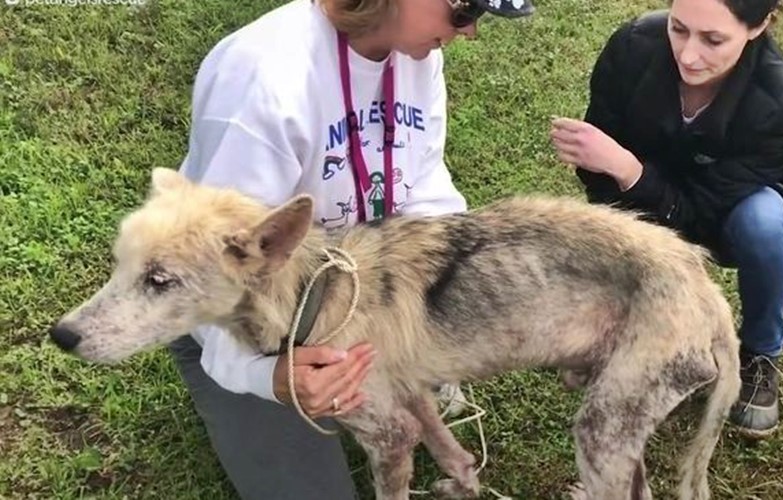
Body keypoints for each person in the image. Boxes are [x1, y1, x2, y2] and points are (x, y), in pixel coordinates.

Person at [168, 0, 534, 498]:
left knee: (412, 398)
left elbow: (422, 182)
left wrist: (457, 288)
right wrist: (268, 377)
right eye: (463, 10)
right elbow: (212, 275)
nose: (469, 32)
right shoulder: (262, 77)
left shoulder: (417, 52)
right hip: (246, 325)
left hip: (361, 296)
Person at [550, 0, 783, 439]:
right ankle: (630, 321)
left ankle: (761, 354)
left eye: (713, 40)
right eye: (678, 28)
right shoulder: (632, 46)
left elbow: (696, 215)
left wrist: (628, 169)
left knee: (765, 222)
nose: (688, 55)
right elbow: (596, 172)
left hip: (722, 212)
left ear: (759, 24)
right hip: (640, 203)